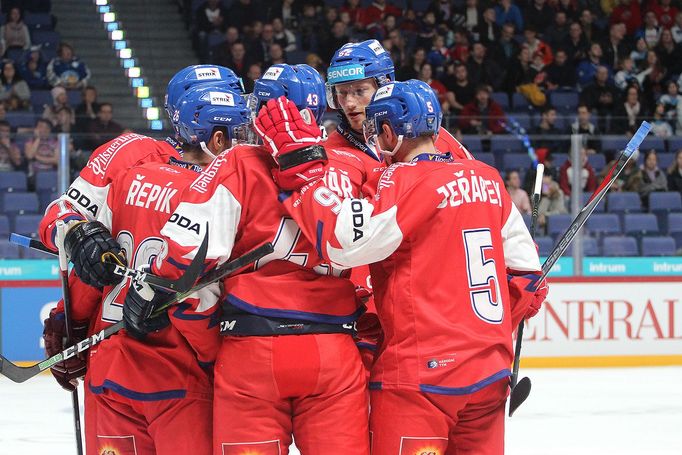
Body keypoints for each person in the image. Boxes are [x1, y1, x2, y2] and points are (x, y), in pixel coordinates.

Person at [254, 80, 546, 455]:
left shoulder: (402, 180)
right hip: (490, 374)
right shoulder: (487, 177)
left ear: (390, 132)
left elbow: (345, 245)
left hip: (422, 378)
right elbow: (529, 280)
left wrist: (305, 171)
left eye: (378, 130)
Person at [139, 63, 370, 454]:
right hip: (335, 353)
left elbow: (180, 265)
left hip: (251, 353)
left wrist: (207, 340)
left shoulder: (237, 163)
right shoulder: (354, 166)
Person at [38, 64, 245, 455]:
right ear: (218, 129)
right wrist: (76, 233)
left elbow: (78, 245)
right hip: (183, 368)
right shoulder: (226, 183)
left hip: (112, 362)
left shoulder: (134, 168)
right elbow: (62, 218)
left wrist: (72, 323)